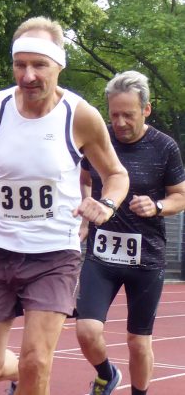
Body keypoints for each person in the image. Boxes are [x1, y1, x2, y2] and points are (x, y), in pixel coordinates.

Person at [0, 16, 129, 395]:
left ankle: (28, 374)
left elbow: (116, 174)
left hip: (53, 254)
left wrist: (107, 204)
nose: (28, 75)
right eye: (20, 64)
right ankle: (19, 375)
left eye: (39, 65)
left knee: (37, 359)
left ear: (59, 65)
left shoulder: (80, 116)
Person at [75, 71, 185, 395]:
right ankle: (107, 374)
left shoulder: (165, 147)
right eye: (114, 114)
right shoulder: (99, 140)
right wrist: (86, 210)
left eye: (129, 115)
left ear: (146, 110)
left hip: (146, 257)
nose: (120, 122)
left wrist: (157, 206)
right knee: (86, 330)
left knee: (138, 342)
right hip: (101, 254)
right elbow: (83, 176)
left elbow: (180, 195)